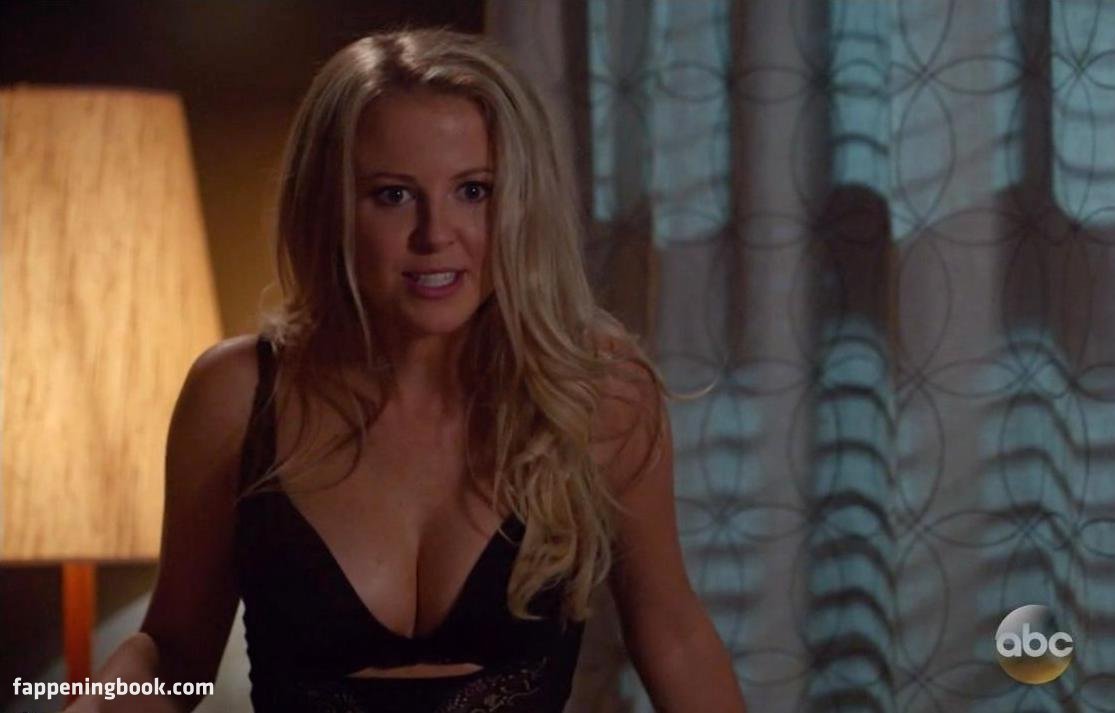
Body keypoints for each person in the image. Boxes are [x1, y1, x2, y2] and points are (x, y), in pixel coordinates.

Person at [65, 28, 745, 713]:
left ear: (519, 203)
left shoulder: (596, 390)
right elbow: (173, 653)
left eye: (473, 190)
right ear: (328, 203)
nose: (436, 234)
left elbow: (674, 636)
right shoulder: (237, 396)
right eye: (393, 195)